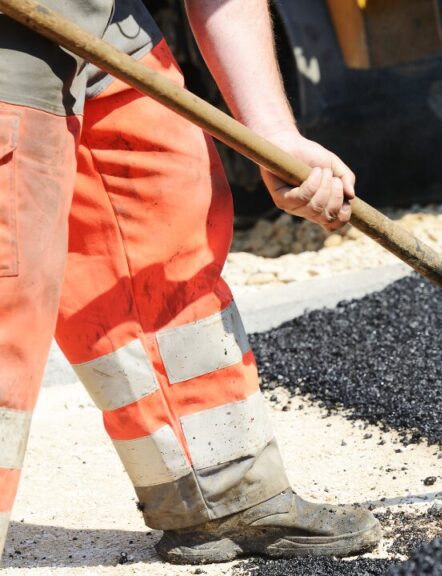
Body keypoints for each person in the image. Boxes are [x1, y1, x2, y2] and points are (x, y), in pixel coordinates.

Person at [0, 0, 381, 565]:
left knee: (164, 222)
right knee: (11, 278)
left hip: (102, 23)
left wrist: (273, 134)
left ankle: (223, 492)